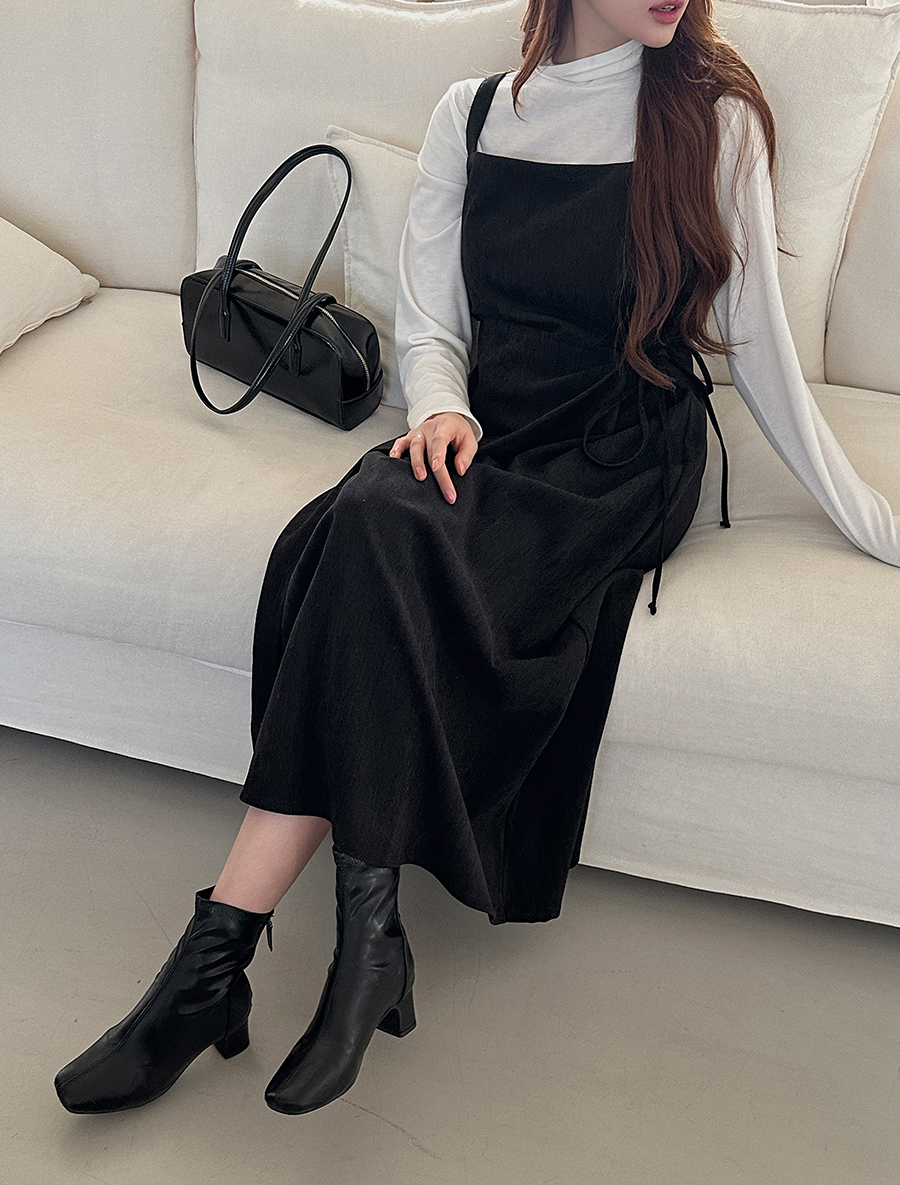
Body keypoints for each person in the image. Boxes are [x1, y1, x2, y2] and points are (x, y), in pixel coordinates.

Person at [54, 0, 899, 1117]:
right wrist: (442, 407)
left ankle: (227, 970)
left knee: (378, 538)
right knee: (357, 528)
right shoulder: (472, 116)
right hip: (494, 431)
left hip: (620, 458)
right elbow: (432, 327)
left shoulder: (713, 117)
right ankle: (319, 951)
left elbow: (764, 355)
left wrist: (874, 520)